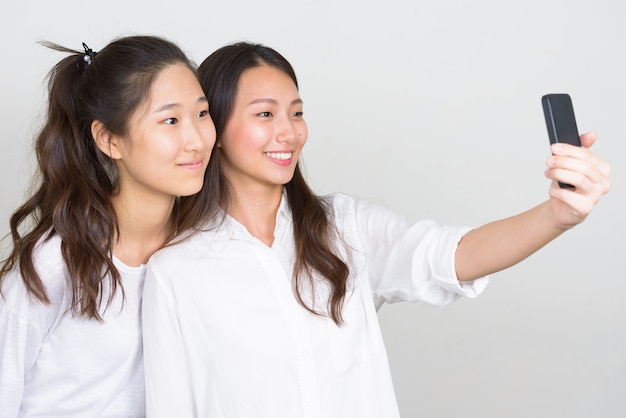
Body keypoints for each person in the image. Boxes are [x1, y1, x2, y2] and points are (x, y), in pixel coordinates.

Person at [141, 42, 611, 418]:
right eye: (265, 114)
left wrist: (557, 215)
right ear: (214, 128)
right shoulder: (176, 270)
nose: (289, 132)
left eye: (297, 112)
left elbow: (453, 255)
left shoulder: (345, 228)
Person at [0, 35, 217, 417]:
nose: (196, 139)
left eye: (202, 114)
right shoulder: (54, 264)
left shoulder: (201, 250)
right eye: (170, 120)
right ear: (109, 139)